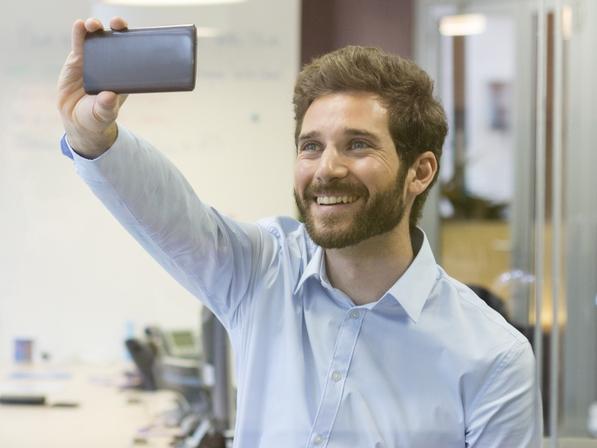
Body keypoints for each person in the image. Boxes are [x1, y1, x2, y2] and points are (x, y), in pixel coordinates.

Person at [57, 16, 542, 448]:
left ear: (419, 172)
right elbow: (164, 211)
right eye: (311, 146)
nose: (326, 169)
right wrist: (91, 134)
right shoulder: (261, 272)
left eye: (357, 145)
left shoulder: (494, 359)